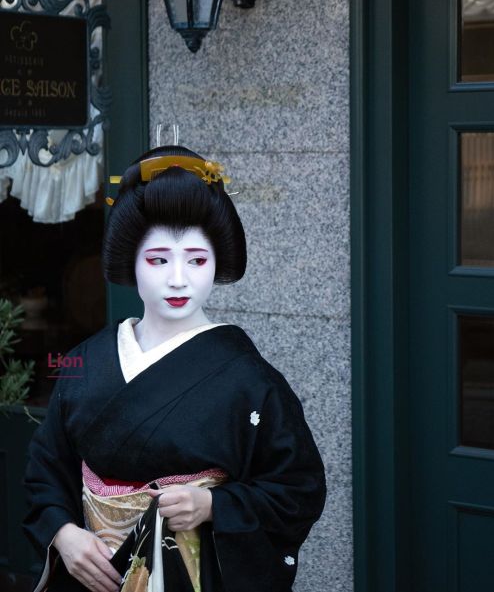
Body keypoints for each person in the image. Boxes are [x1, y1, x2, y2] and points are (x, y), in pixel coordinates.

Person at [23, 145, 327, 592]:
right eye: (159, 259)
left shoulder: (248, 378)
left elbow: (298, 487)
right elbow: (46, 466)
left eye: (197, 260)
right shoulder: (84, 361)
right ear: (132, 261)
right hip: (91, 575)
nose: (178, 279)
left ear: (217, 263)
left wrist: (212, 505)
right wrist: (63, 533)